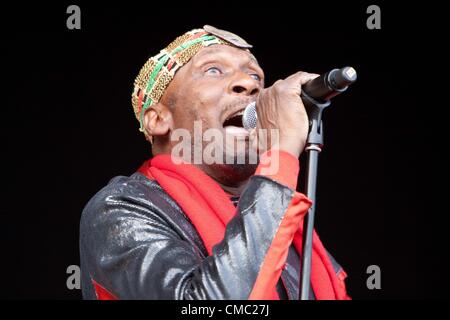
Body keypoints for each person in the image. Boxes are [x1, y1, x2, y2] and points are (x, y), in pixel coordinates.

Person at [79, 25, 350, 300]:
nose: (249, 84)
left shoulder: (285, 223)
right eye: (213, 70)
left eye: (255, 75)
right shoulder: (119, 209)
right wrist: (280, 157)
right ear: (158, 119)